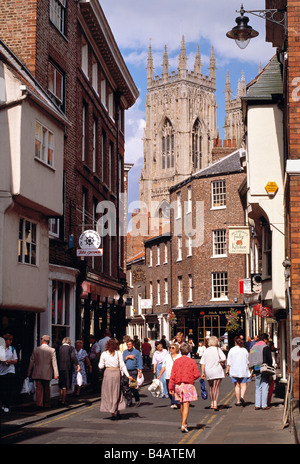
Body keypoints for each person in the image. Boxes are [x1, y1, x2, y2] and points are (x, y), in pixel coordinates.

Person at [169, 343, 200, 433]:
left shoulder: (176, 361)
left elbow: (172, 375)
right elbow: (197, 374)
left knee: (182, 404)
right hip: (187, 385)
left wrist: (170, 387)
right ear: (188, 351)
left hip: (178, 385)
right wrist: (191, 377)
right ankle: (183, 424)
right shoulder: (192, 361)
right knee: (186, 404)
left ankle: (184, 422)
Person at [99, 338, 133, 420]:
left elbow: (100, 366)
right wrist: (128, 375)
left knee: (108, 393)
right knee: (117, 393)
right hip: (116, 373)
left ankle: (112, 413)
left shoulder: (104, 354)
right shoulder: (118, 353)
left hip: (108, 373)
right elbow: (122, 365)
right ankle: (118, 411)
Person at [27, 335, 58, 409]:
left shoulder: (36, 349)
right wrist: (56, 374)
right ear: (49, 342)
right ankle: (47, 404)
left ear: (42, 341)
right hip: (47, 372)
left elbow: (31, 361)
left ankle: (39, 403)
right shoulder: (52, 350)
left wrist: (28, 373)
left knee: (39, 388)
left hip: (37, 372)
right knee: (47, 388)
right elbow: (54, 363)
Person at [200, 335, 226, 411]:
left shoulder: (206, 350)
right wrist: (220, 361)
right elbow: (224, 358)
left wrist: (203, 372)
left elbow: (202, 363)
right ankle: (215, 403)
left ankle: (211, 403)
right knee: (216, 388)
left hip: (208, 371)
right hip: (217, 370)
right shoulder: (218, 349)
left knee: (211, 387)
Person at [249, 333, 273, 410]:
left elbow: (250, 357)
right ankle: (264, 405)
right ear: (265, 339)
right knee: (265, 385)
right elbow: (269, 359)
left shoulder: (253, 347)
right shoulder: (266, 347)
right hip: (264, 367)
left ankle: (257, 404)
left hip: (256, 367)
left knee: (258, 386)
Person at [225, 336, 250, 406]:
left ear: (235, 342)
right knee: (244, 385)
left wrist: (227, 370)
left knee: (237, 385)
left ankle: (238, 401)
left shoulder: (232, 350)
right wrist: (249, 369)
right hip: (243, 370)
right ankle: (242, 396)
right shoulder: (245, 350)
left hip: (234, 370)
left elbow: (229, 362)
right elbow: (248, 361)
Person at [157, 343, 181, 408]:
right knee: (169, 390)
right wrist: (159, 375)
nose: (171, 349)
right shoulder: (167, 356)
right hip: (168, 376)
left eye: (173, 348)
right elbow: (163, 367)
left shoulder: (179, 356)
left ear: (176, 349)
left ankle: (174, 403)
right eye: (170, 348)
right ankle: (173, 400)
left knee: (175, 389)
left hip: (176, 376)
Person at [58, 337, 80, 405]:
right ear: (69, 342)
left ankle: (60, 398)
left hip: (60, 368)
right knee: (65, 385)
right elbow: (73, 356)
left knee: (61, 384)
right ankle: (64, 400)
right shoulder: (71, 348)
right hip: (68, 368)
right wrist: (77, 365)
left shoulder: (60, 348)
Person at [0, 333, 18, 412]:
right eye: (9, 340)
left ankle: (7, 405)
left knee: (8, 389)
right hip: (1, 372)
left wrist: (10, 361)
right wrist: (3, 361)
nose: (11, 341)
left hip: (10, 371)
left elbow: (16, 360)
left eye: (11, 340)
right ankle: (3, 404)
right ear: (5, 341)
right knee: (2, 390)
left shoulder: (12, 349)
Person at [123, 339, 143, 407]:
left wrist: (140, 371)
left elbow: (140, 362)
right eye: (127, 345)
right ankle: (129, 402)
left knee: (133, 387)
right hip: (126, 372)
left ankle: (137, 400)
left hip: (133, 371)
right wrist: (127, 357)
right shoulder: (125, 352)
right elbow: (122, 360)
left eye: (130, 344)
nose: (128, 346)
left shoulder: (136, 352)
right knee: (126, 388)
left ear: (133, 345)